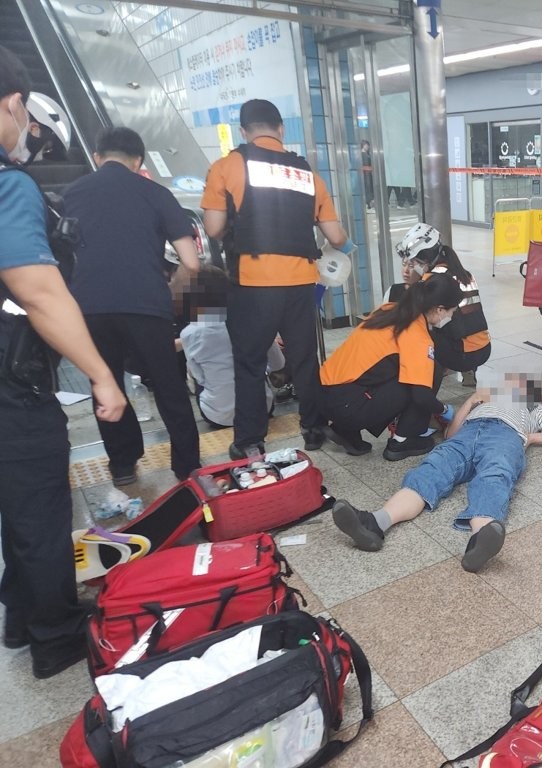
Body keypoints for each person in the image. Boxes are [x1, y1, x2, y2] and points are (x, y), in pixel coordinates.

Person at [0, 45, 127, 679]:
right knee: (38, 502)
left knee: (13, 505)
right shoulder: (8, 186)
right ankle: (54, 634)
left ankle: (20, 616)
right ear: (13, 104)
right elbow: (38, 290)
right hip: (10, 387)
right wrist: (102, 375)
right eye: (22, 115)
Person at [201, 98, 353, 459]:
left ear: (243, 131)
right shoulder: (306, 173)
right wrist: (345, 249)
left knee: (251, 363)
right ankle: (314, 428)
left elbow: (214, 226)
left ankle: (250, 440)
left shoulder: (228, 165)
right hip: (301, 283)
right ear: (281, 129)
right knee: (304, 359)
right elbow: (336, 237)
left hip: (253, 285)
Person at [63, 126, 202, 485]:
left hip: (90, 306)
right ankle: (187, 467)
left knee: (105, 381)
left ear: (97, 157)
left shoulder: (71, 193)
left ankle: (123, 463)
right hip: (146, 304)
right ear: (138, 160)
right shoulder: (156, 192)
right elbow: (191, 262)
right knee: (169, 386)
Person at [332, 372, 542, 572]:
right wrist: (470, 402)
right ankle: (376, 523)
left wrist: (528, 438)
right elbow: (450, 434)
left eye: (522, 383)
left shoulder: (532, 407)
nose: (512, 384)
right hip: (467, 433)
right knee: (433, 468)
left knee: (494, 475)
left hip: (506, 436)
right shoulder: (483, 402)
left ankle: (481, 538)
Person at [320, 275, 463, 461]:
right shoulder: (417, 335)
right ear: (439, 309)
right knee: (430, 372)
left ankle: (344, 430)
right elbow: (421, 396)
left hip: (327, 396)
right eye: (452, 311)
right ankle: (402, 440)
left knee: (401, 371)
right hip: (347, 406)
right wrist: (445, 411)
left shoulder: (389, 310)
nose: (451, 316)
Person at [178, 265, 283, 428]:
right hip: (262, 410)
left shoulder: (189, 333)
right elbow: (278, 364)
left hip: (217, 416)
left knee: (198, 374)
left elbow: (200, 378)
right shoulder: (254, 321)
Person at [398, 223, 491, 386]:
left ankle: (428, 379)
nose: (410, 268)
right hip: (484, 347)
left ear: (425, 259)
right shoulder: (464, 273)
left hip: (463, 354)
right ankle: (468, 372)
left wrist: (411, 287)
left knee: (418, 329)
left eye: (414, 263)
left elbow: (421, 318)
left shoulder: (432, 280)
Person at [360, 139, 373, 210]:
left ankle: (368, 204)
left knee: (368, 188)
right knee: (367, 188)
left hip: (367, 174)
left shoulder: (366, 154)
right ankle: (368, 204)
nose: (368, 147)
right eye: (367, 145)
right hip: (366, 174)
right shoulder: (363, 154)